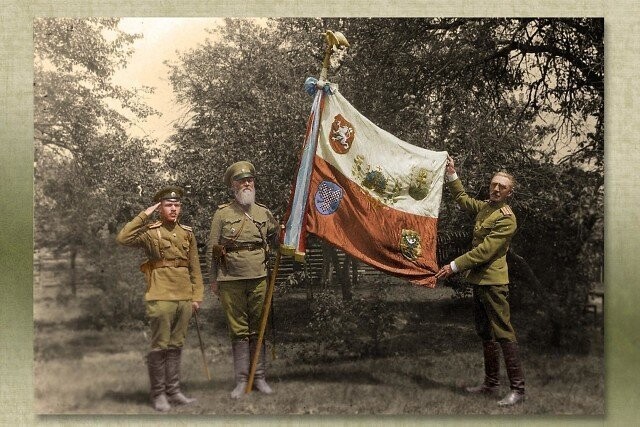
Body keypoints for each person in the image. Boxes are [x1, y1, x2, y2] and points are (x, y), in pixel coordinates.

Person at [435, 156, 525, 406]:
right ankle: (491, 384)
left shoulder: (507, 217)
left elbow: (484, 251)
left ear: (510, 192)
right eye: (493, 184)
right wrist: (452, 174)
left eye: (502, 187)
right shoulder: (488, 208)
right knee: (485, 332)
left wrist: (453, 266)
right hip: (479, 281)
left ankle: (518, 390)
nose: (496, 189)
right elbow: (464, 200)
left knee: (503, 332)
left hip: (494, 283)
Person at [116, 186, 204, 412]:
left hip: (184, 296)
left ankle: (174, 392)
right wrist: (145, 214)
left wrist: (197, 296)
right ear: (160, 208)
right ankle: (158, 395)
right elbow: (123, 237)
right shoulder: (150, 232)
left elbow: (194, 267)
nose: (173, 209)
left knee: (176, 345)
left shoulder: (187, 233)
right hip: (161, 294)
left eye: (176, 205)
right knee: (160, 345)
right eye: (168, 205)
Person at [206, 161, 279, 399]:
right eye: (241, 181)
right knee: (238, 330)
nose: (246, 184)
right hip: (230, 278)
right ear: (233, 186)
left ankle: (259, 378)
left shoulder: (264, 212)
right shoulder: (222, 214)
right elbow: (212, 249)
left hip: (259, 277)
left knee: (258, 328)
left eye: (250, 180)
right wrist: (213, 280)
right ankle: (240, 381)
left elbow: (278, 239)